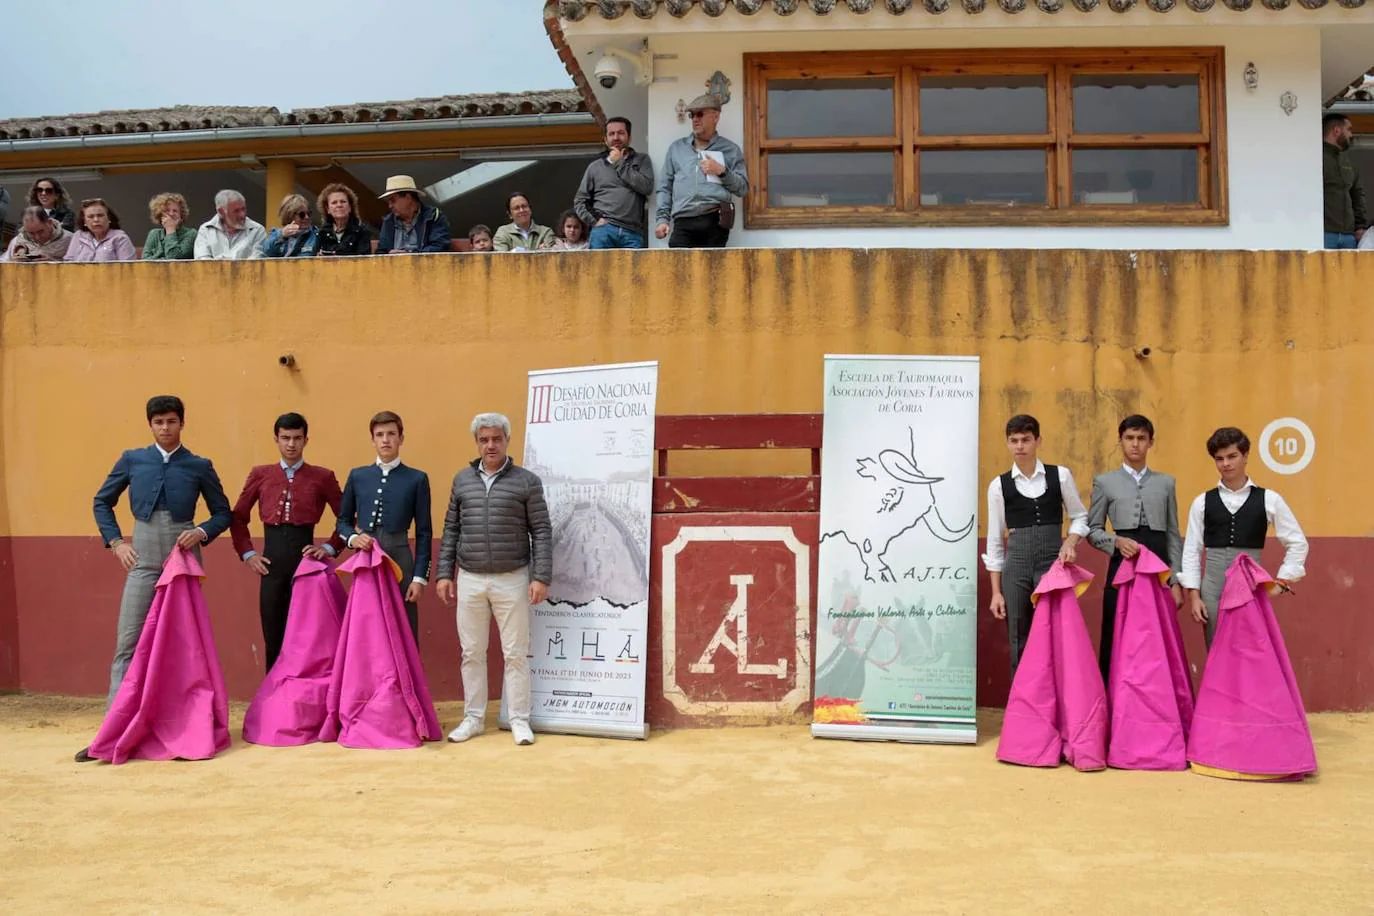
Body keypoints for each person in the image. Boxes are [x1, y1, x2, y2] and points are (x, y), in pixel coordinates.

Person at [80, 395, 232, 762]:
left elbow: (223, 513)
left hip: (182, 562)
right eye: (159, 422)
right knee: (128, 644)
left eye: (171, 421)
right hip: (144, 558)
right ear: (150, 425)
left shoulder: (198, 465)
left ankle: (187, 726)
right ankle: (112, 732)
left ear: (182, 423)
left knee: (185, 647)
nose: (165, 428)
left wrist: (201, 531)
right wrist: (115, 542)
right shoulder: (133, 459)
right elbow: (102, 501)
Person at [436, 412, 552, 747]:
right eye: (484, 439)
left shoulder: (527, 481)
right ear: (477, 442)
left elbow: (541, 531)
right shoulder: (462, 480)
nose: (490, 445)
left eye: (496, 439)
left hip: (512, 577)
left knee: (515, 652)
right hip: (470, 577)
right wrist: (445, 573)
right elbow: (451, 529)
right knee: (471, 651)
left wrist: (540, 575)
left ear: (507, 441)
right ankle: (473, 718)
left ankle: (519, 719)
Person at [230, 412, 345, 672]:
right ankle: (273, 700)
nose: (291, 444)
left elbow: (347, 519)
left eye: (296, 438)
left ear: (306, 440)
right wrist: (248, 554)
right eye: (285, 438)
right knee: (273, 635)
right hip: (271, 565)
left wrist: (328, 548)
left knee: (306, 636)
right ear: (276, 439)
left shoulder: (322, 476)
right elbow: (238, 517)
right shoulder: (261, 474)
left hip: (306, 564)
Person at [1179, 427, 1308, 647]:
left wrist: (1283, 580)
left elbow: (1297, 543)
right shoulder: (1202, 502)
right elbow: (1192, 549)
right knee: (1216, 651)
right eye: (1219, 459)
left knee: (1250, 652)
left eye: (1232, 456)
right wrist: (1194, 595)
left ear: (1246, 456)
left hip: (1251, 589)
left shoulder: (1270, 499)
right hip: (1213, 590)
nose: (1226, 464)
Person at [984, 414, 1090, 677]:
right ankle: (1024, 708)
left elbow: (1080, 516)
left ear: (1038, 441)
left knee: (1055, 632)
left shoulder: (1060, 476)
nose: (1020, 446)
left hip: (1051, 563)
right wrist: (996, 592)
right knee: (1018, 635)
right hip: (1016, 566)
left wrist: (1071, 541)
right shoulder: (998, 486)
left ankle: (1057, 703)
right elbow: (996, 541)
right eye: (1014, 441)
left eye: (1025, 440)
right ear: (1008, 444)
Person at [1086, 415, 1183, 680]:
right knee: (1117, 631)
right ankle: (1113, 700)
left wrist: (1175, 580)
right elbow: (1092, 530)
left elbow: (1173, 534)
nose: (1135, 444)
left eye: (1141, 438)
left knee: (1157, 636)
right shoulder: (1105, 482)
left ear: (1151, 442)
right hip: (1121, 566)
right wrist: (1115, 541)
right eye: (1129, 438)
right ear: (1121, 442)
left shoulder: (1166, 483)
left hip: (1158, 567)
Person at [336, 411, 432, 641]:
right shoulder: (358, 476)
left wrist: (419, 578)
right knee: (366, 626)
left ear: (401, 438)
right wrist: (352, 539)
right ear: (373, 440)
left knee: (403, 627)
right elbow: (342, 521)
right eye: (380, 435)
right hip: (366, 558)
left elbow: (424, 532)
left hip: (399, 557)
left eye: (391, 434)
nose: (386, 440)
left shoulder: (416, 478)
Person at [654, 94, 749, 249]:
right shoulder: (677, 148)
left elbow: (743, 189)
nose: (695, 119)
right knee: (678, 270)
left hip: (715, 220)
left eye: (700, 114)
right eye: (692, 115)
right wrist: (662, 220)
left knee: (712, 271)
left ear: (716, 116)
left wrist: (722, 171)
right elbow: (665, 187)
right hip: (683, 220)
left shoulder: (730, 150)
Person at [576, 115, 654, 250]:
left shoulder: (642, 160)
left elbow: (646, 187)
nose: (616, 137)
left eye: (621, 133)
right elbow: (580, 201)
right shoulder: (595, 167)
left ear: (629, 137)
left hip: (632, 232)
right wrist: (595, 221)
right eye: (611, 134)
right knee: (600, 271)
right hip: (603, 231)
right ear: (606, 140)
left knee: (633, 272)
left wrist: (619, 163)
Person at [1322, 112, 1368, 250]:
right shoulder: (1316, 156)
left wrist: (1360, 227)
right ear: (1336, 130)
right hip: (1324, 233)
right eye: (1349, 129)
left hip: (1349, 235)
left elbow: (1357, 194)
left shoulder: (1347, 160)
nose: (1351, 135)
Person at [376, 176, 451, 254]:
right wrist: (389, 256)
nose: (390, 205)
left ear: (408, 198)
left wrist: (411, 255)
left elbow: (440, 246)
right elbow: (381, 251)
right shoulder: (388, 221)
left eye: (393, 200)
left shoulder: (433, 216)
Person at [194, 189, 266, 260]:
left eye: (243, 209)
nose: (242, 215)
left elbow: (257, 261)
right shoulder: (205, 230)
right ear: (221, 211)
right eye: (236, 211)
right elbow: (202, 261)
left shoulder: (257, 230)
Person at [64, 198, 136, 262]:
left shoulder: (120, 238)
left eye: (100, 215)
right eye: (91, 217)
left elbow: (128, 269)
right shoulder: (78, 236)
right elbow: (68, 264)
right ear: (84, 221)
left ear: (109, 218)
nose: (96, 219)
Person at [315, 183, 372, 256]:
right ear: (328, 209)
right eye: (334, 203)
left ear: (350, 207)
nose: (339, 205)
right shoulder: (322, 233)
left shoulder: (361, 231)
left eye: (343, 201)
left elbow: (364, 260)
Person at [1, 206, 72, 261]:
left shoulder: (69, 240)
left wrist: (53, 262)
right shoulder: (17, 241)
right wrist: (14, 263)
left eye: (40, 231)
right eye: (31, 233)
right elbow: (3, 263)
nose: (37, 237)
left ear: (49, 223)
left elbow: (78, 268)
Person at [141, 193, 196, 261]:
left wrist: (170, 229)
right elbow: (145, 262)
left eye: (175, 211)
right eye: (167, 210)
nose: (171, 214)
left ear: (181, 215)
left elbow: (173, 259)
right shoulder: (154, 234)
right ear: (160, 214)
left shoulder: (191, 234)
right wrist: (164, 259)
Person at [261, 194, 319, 258]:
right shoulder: (276, 234)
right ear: (290, 215)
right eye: (302, 215)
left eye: (309, 213)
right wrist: (282, 235)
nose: (307, 217)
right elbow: (266, 252)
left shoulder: (316, 235)